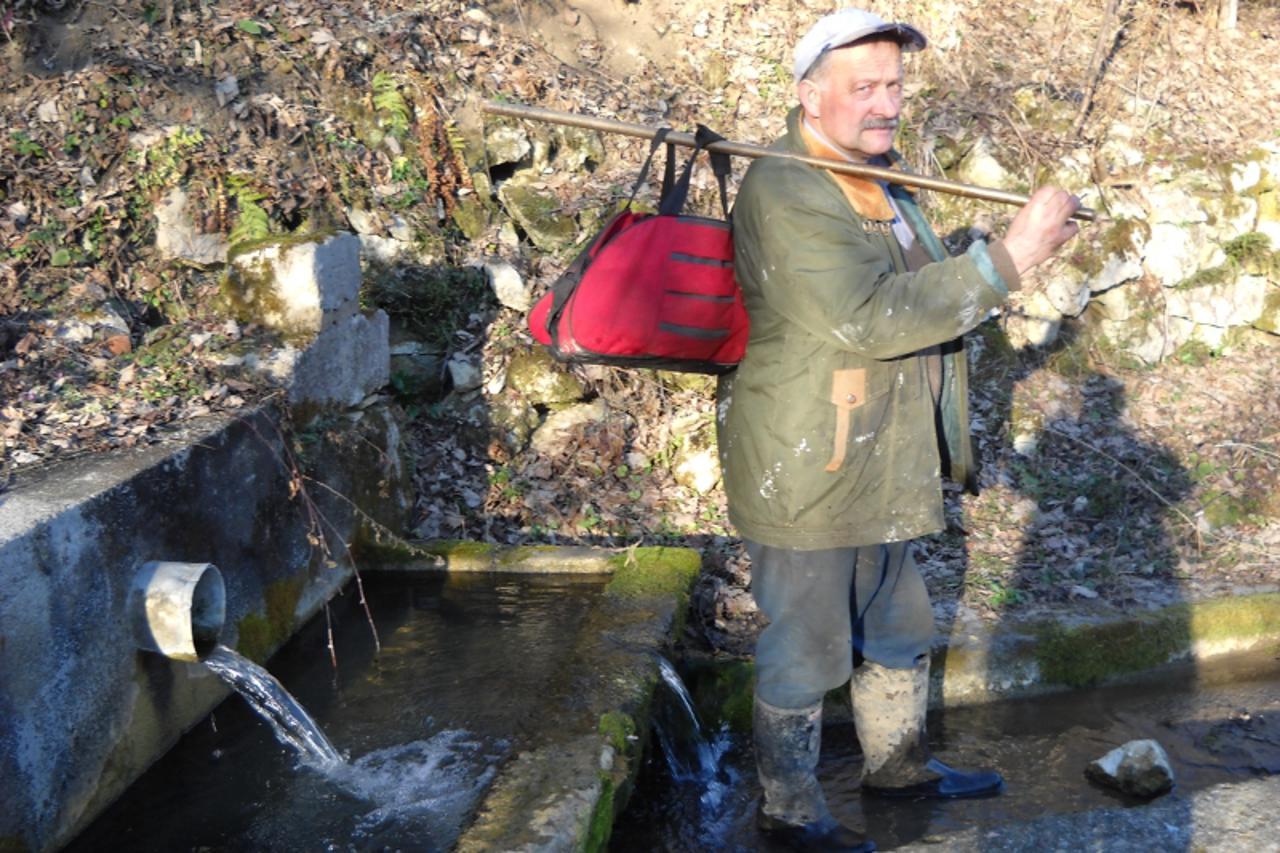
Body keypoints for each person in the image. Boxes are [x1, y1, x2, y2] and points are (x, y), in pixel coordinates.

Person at [715, 8, 1081, 852]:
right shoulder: (788, 189)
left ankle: (898, 768)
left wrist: (991, 260)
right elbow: (870, 316)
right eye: (864, 87)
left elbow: (918, 289)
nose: (886, 104)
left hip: (882, 453)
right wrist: (1009, 259)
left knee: (898, 624)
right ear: (810, 96)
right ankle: (789, 809)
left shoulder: (874, 178)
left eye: (894, 85)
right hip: (810, 462)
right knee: (806, 644)